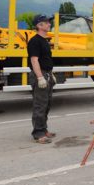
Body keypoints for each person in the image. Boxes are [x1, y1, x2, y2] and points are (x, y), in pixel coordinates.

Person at [27, 14, 56, 144]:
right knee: (40, 105)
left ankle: (44, 129)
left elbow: (46, 60)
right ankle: (38, 133)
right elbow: (34, 60)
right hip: (40, 75)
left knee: (47, 104)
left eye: (49, 22)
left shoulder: (44, 40)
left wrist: (51, 73)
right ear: (39, 25)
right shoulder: (35, 41)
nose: (49, 24)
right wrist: (40, 77)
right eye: (47, 22)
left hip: (47, 74)